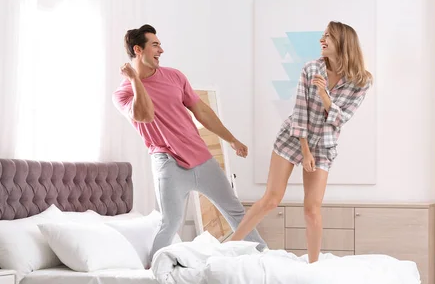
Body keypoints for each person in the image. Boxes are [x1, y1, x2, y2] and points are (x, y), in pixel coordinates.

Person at [112, 24, 267, 264]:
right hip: (167, 163)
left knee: (235, 211)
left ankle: (266, 258)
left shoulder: (175, 76)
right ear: (138, 50)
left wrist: (232, 139)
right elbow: (145, 115)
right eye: (155, 45)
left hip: (201, 158)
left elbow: (202, 112)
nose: (161, 50)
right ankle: (154, 274)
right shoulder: (123, 94)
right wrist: (134, 79)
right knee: (170, 223)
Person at [228, 21, 372, 263]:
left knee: (312, 208)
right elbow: (300, 112)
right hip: (293, 137)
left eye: (328, 36)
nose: (322, 40)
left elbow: (341, 118)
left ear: (343, 42)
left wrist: (325, 96)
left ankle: (313, 266)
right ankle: (230, 246)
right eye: (323, 35)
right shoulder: (311, 69)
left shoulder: (361, 81)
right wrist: (305, 151)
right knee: (271, 199)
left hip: (325, 145)